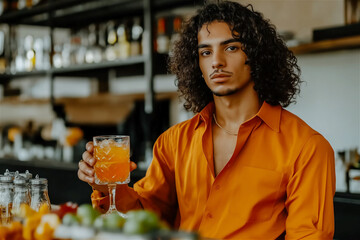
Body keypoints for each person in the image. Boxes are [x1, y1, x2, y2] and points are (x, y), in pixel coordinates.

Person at [78, 1, 335, 239]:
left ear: (256, 56)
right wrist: (106, 188)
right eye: (205, 52)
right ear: (196, 65)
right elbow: (147, 217)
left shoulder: (307, 148)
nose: (216, 62)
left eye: (231, 47)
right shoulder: (173, 141)